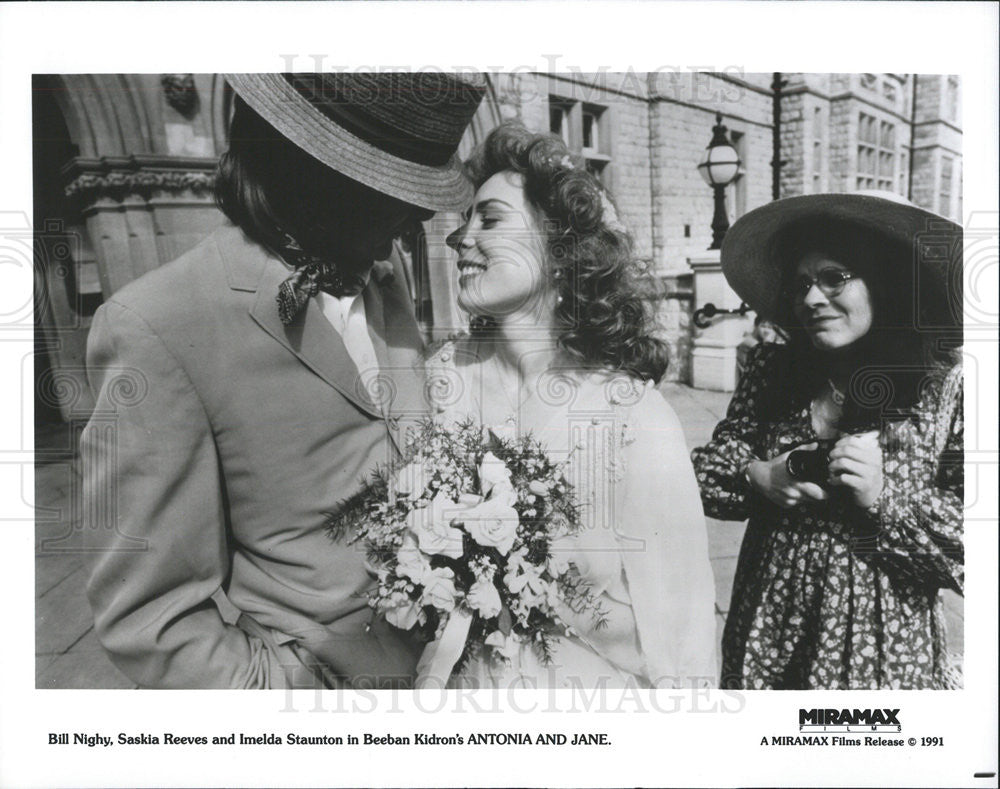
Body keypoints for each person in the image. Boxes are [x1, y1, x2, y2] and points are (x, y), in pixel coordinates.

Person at [81, 72, 486, 688]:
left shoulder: (382, 271)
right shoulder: (156, 324)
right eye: (395, 186)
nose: (421, 214)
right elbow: (149, 622)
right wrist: (287, 694)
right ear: (313, 174)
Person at [422, 122, 718, 689]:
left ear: (558, 249)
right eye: (463, 222)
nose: (460, 239)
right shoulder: (440, 380)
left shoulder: (630, 414)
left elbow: (679, 638)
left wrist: (539, 578)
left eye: (491, 219)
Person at [691, 190, 963, 690]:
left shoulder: (943, 385)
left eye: (834, 277)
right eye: (801, 285)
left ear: (885, 282)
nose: (811, 298)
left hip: (881, 645)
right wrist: (760, 476)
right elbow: (704, 472)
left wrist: (886, 498)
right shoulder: (775, 369)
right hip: (769, 629)